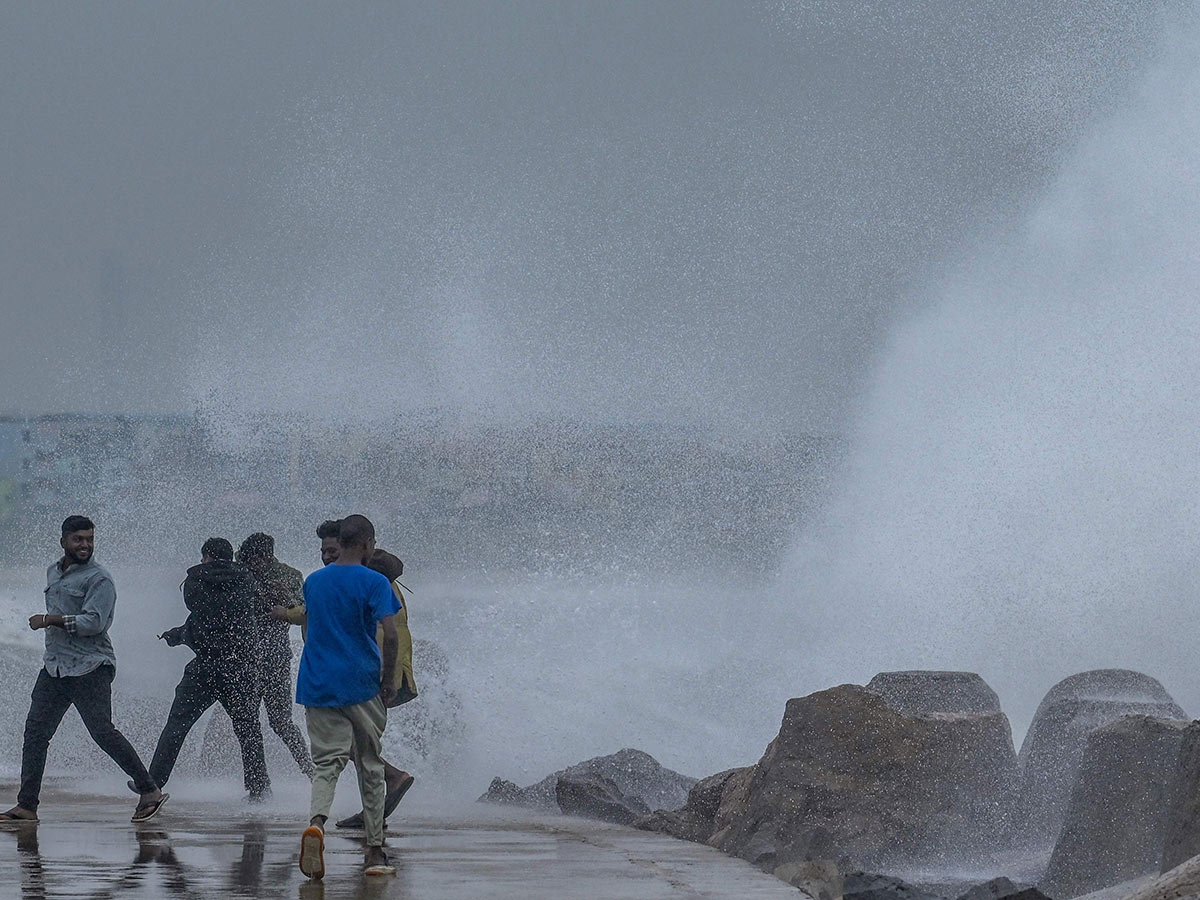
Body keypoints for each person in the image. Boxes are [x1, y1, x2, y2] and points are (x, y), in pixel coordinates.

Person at [0, 516, 167, 824]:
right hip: (55, 668)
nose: (85, 545)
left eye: (89, 539)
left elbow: (95, 623)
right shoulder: (54, 571)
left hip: (92, 667)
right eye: (78, 539)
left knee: (102, 732)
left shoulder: (100, 578)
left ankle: (150, 791)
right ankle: (26, 806)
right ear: (63, 541)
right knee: (35, 734)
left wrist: (51, 620)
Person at [273, 519, 415, 829]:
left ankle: (390, 785)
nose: (326, 557)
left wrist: (283, 612)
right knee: (359, 745)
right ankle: (375, 811)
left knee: (354, 747)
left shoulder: (366, 577)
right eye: (323, 551)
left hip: (367, 672)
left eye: (332, 550)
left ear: (353, 545)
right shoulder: (369, 575)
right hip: (371, 669)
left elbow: (318, 613)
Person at [296, 514, 399, 879]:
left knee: (327, 764)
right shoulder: (375, 582)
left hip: (317, 682)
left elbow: (310, 626)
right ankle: (374, 852)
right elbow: (390, 633)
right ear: (368, 543)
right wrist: (388, 681)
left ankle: (317, 825)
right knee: (370, 765)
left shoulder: (314, 582)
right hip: (361, 683)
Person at [141, 538, 270, 800]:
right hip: (240, 667)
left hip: (206, 667)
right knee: (248, 728)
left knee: (177, 725)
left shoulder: (197, 580)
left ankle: (153, 783)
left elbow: (201, 621)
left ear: (207, 556)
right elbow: (233, 618)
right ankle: (259, 790)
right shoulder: (247, 581)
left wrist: (177, 636)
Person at [237, 532, 315, 779]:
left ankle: (310, 770)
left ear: (268, 557)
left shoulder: (289, 576)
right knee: (247, 723)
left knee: (281, 722)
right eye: (247, 559)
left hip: (275, 658)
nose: (251, 565)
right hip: (243, 658)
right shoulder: (239, 571)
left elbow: (304, 612)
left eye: (255, 560)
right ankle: (258, 784)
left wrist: (286, 600)